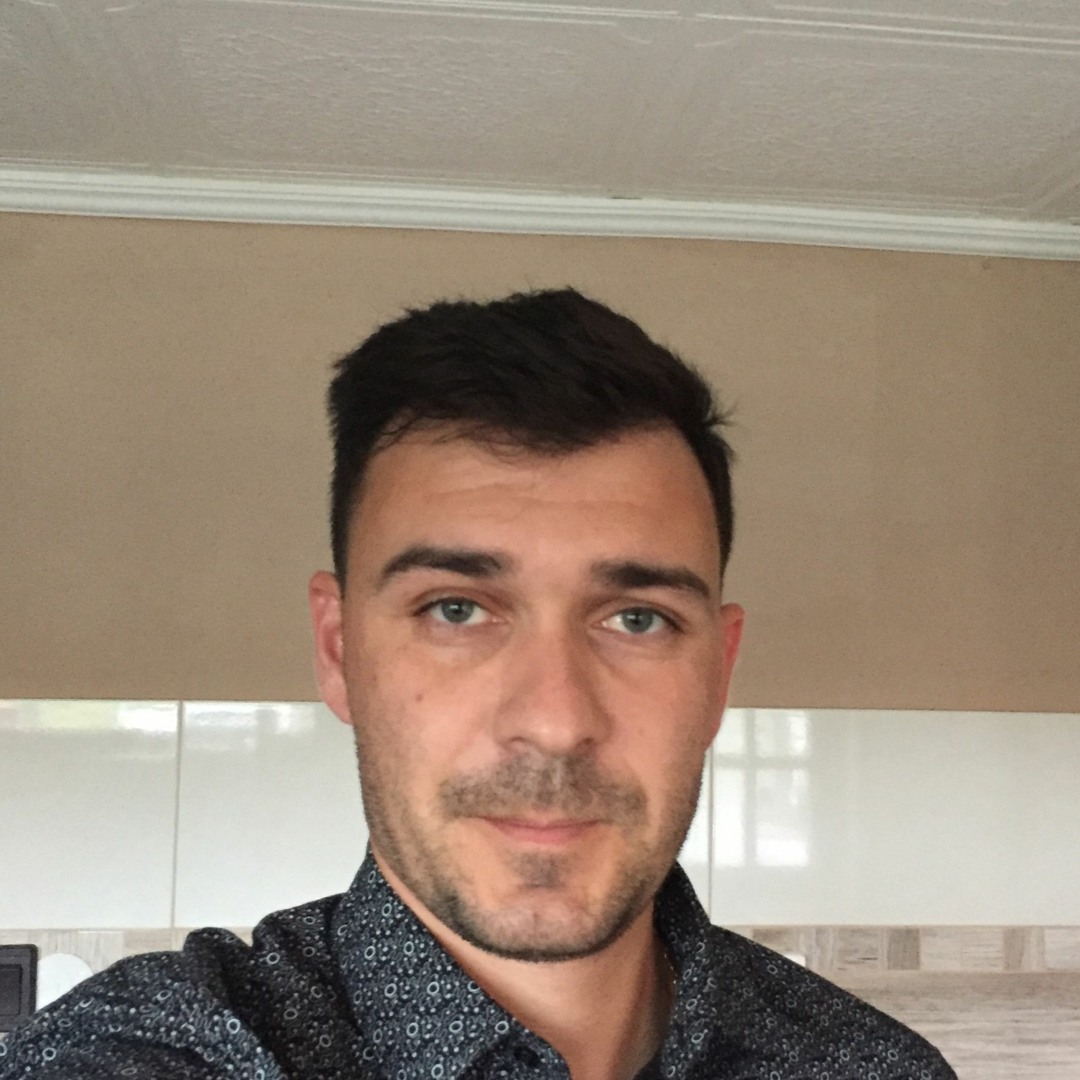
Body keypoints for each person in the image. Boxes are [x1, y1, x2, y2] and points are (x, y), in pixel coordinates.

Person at [0, 289, 955, 1079]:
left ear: (718, 674)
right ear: (338, 650)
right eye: (456, 609)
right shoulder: (154, 1050)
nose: (555, 721)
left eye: (636, 619)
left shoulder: (872, 1067)